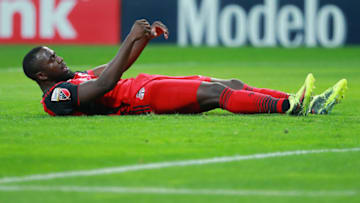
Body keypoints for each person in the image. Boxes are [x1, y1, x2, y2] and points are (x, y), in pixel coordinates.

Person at [22, 19, 347, 116]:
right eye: (51, 59)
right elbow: (107, 83)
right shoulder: (58, 95)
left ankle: (298, 100)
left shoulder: (72, 77)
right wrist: (129, 37)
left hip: (143, 84)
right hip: (141, 99)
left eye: (55, 54)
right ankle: (287, 106)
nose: (59, 58)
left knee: (232, 81)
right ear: (41, 75)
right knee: (218, 93)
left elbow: (114, 69)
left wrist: (143, 39)